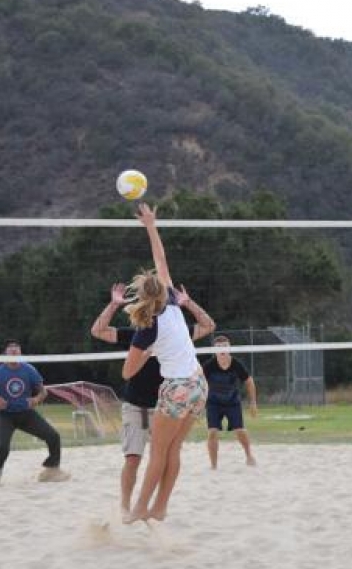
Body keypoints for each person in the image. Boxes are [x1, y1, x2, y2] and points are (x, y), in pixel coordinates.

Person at [91, 281, 215, 515]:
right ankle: (126, 507)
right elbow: (97, 330)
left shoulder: (174, 329)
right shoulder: (137, 334)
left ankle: (154, 507)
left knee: (165, 454)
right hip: (137, 404)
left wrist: (188, 303)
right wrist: (113, 305)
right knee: (133, 459)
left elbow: (208, 325)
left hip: (167, 404)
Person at [121, 202, 208, 524]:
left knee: (158, 454)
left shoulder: (146, 326)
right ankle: (159, 508)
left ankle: (140, 508)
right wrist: (151, 225)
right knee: (173, 451)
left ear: (141, 296)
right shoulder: (171, 300)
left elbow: (127, 372)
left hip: (177, 389)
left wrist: (144, 354)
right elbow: (161, 259)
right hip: (199, 384)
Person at [0, 339, 69, 486]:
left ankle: (52, 469)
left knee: (53, 436)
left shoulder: (29, 370)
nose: (14, 351)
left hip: (26, 414)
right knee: (2, 446)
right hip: (5, 415)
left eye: (16, 349)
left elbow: (43, 392)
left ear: (20, 353)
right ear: (5, 354)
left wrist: (36, 399)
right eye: (10, 349)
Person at [203, 335, 258, 468]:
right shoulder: (209, 366)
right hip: (213, 403)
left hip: (232, 402)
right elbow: (199, 384)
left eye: (225, 346)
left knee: (240, 430)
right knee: (212, 432)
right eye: (219, 347)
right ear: (214, 350)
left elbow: (249, 382)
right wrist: (197, 405)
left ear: (230, 348)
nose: (222, 350)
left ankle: (249, 455)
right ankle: (213, 465)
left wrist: (253, 403)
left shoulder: (236, 364)